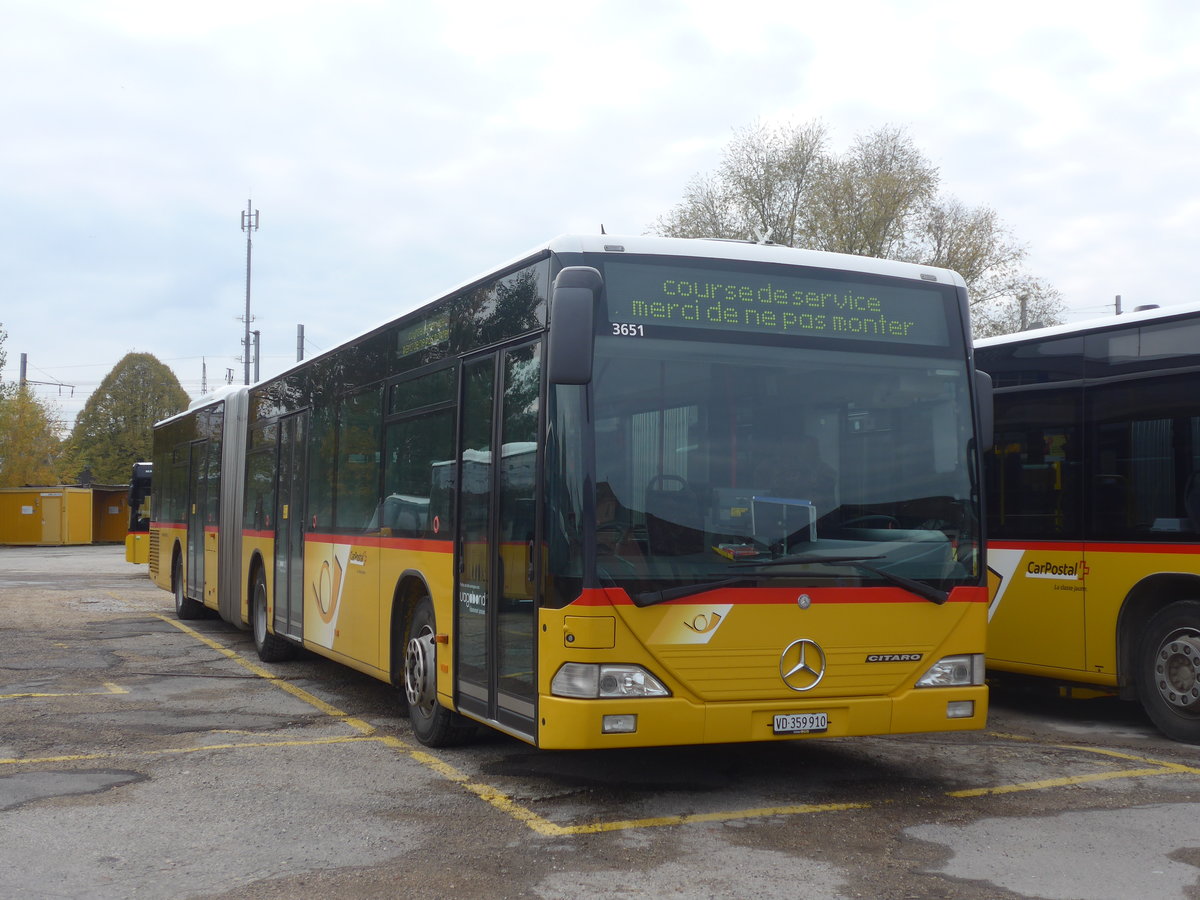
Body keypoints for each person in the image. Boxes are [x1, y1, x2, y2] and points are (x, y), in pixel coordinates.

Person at [754, 435, 837, 514]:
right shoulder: (769, 467)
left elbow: (821, 499)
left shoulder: (824, 471)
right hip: (776, 514)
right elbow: (761, 491)